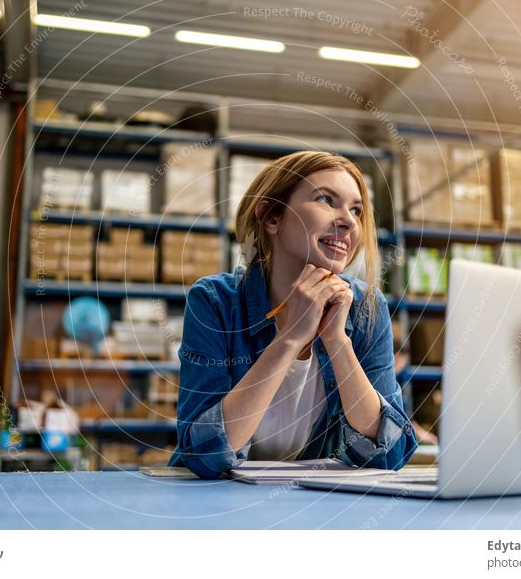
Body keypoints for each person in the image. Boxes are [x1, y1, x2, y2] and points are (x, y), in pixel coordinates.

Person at [168, 151, 417, 479]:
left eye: (356, 209)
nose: (349, 221)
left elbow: (391, 453)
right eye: (326, 200)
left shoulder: (367, 308)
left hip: (311, 509)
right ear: (272, 218)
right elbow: (203, 454)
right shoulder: (214, 302)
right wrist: (290, 338)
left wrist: (337, 341)